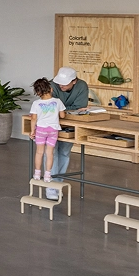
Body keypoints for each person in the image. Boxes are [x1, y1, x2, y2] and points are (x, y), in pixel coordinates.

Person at [45, 66, 89, 197]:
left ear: (74, 81)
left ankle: (57, 184)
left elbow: (80, 107)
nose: (60, 86)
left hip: (69, 123)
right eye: (59, 83)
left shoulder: (82, 86)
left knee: (64, 152)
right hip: (50, 123)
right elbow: (50, 106)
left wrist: (62, 109)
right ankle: (50, 186)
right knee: (51, 152)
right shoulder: (52, 85)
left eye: (64, 84)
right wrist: (66, 109)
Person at [28, 78, 66, 184]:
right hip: (53, 130)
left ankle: (37, 173)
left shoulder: (36, 104)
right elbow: (62, 115)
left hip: (40, 130)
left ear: (38, 92)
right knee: (50, 153)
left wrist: (32, 131)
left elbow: (33, 119)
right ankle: (48, 175)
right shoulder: (58, 101)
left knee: (39, 152)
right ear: (51, 89)